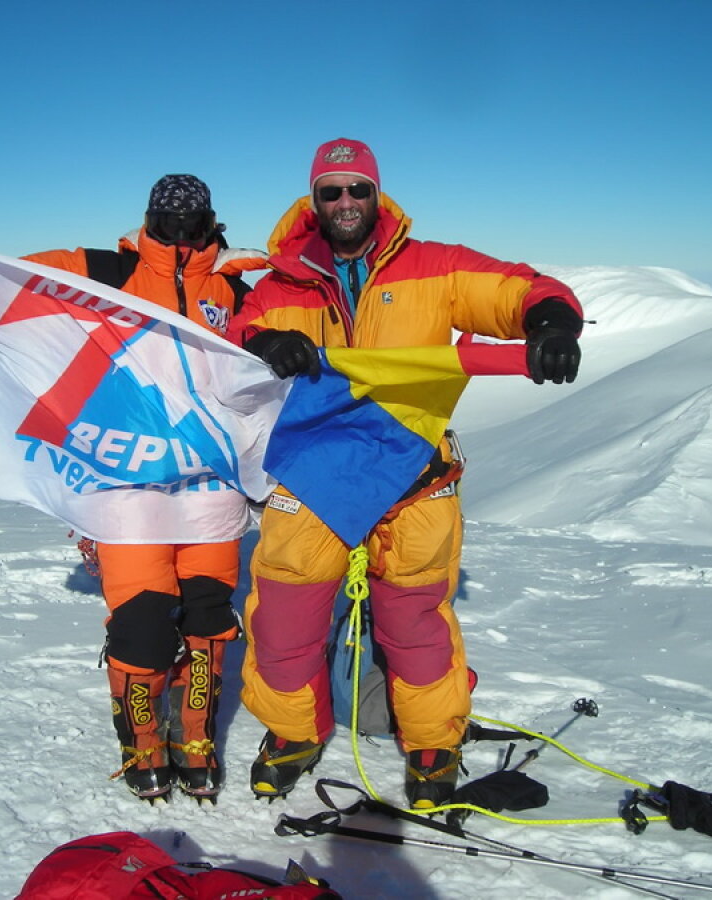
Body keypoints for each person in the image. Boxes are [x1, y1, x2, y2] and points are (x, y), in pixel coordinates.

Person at [226, 139, 584, 808]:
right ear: (314, 200)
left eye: (357, 189)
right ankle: (293, 734)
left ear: (376, 194)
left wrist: (551, 321)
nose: (345, 203)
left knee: (416, 620)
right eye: (330, 191)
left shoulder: (433, 267)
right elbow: (233, 347)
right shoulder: (280, 286)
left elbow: (518, 291)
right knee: (281, 616)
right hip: (314, 474)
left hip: (415, 472)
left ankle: (430, 742)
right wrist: (263, 343)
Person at [0, 175, 266, 804]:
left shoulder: (235, 288)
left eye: (191, 221)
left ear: (210, 222)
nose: (178, 232)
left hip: (210, 491)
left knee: (207, 622)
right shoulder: (101, 270)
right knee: (142, 625)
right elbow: (4, 284)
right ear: (148, 218)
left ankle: (195, 738)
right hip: (125, 494)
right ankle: (143, 744)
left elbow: (270, 351)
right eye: (166, 220)